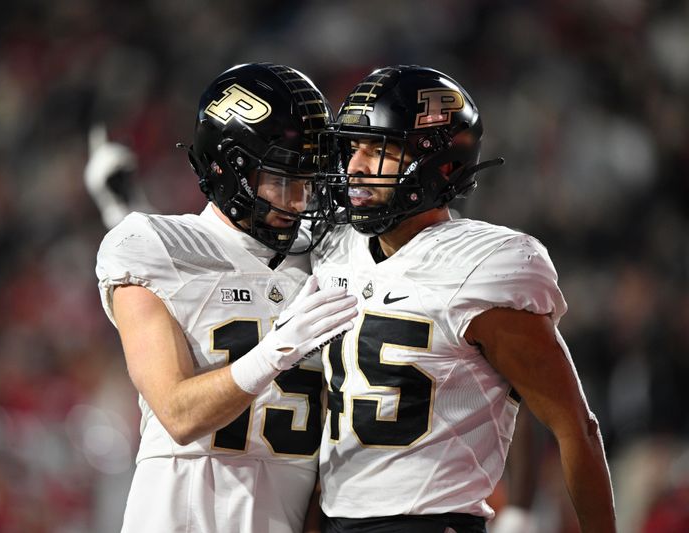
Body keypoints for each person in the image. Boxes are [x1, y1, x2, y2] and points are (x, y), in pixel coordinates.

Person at [311, 65, 616, 532]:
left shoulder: (482, 265)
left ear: (439, 163)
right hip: (336, 519)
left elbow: (575, 426)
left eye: (378, 150)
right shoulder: (331, 248)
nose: (354, 166)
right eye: (353, 147)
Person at [94, 62, 357, 533]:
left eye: (309, 180)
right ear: (228, 168)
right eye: (282, 178)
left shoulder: (328, 256)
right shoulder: (151, 247)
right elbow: (177, 413)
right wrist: (277, 349)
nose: (299, 200)